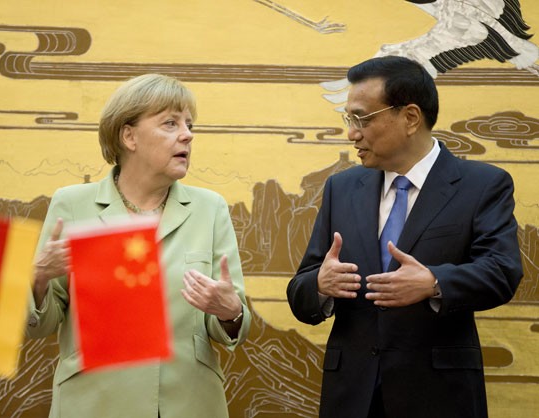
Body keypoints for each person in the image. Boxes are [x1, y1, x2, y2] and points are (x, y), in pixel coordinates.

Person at [286, 56, 522, 418]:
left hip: (439, 396)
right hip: (352, 395)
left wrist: (434, 281)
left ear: (410, 117)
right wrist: (319, 284)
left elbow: (502, 271)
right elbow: (301, 292)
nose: (352, 133)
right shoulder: (341, 187)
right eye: (349, 119)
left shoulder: (482, 185)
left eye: (361, 119)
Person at [27, 74, 251, 418]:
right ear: (128, 135)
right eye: (170, 123)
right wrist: (40, 276)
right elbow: (41, 324)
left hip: (188, 405)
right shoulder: (72, 205)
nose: (187, 134)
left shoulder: (211, 208)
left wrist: (230, 311)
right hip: (94, 404)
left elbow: (233, 325)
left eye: (189, 124)